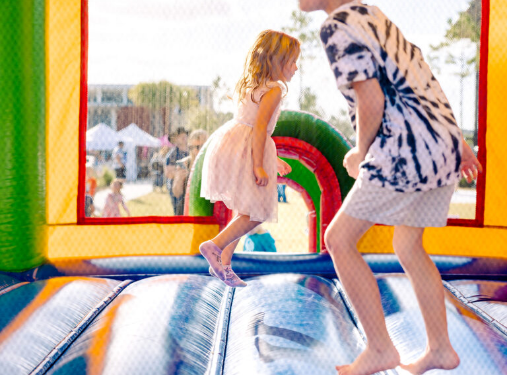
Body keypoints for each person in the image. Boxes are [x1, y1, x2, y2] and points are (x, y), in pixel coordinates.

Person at [298, 1, 483, 374]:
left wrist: (361, 153)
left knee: (339, 240)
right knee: (407, 245)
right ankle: (441, 348)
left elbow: (372, 98)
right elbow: (420, 75)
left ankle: (381, 349)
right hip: (439, 146)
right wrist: (458, 143)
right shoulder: (372, 15)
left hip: (403, 150)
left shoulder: (337, 25)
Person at [198, 30, 299, 287]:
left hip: (232, 143)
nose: (296, 68)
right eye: (292, 61)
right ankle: (214, 246)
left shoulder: (251, 84)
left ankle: (224, 265)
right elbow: (261, 127)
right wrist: (258, 165)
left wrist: (271, 161)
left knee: (244, 210)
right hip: (249, 147)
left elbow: (253, 125)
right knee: (256, 213)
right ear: (277, 61)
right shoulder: (274, 89)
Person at [172, 129, 209, 215]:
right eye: (194, 147)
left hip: (206, 210)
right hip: (187, 210)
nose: (198, 151)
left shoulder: (212, 164)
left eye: (202, 147)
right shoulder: (185, 164)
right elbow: (177, 193)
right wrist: (179, 179)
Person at [164, 127, 189, 215]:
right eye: (180, 135)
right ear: (175, 139)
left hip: (189, 185)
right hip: (176, 188)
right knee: (179, 212)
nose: (183, 136)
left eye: (184, 134)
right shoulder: (172, 155)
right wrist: (180, 172)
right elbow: (168, 173)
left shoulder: (192, 151)